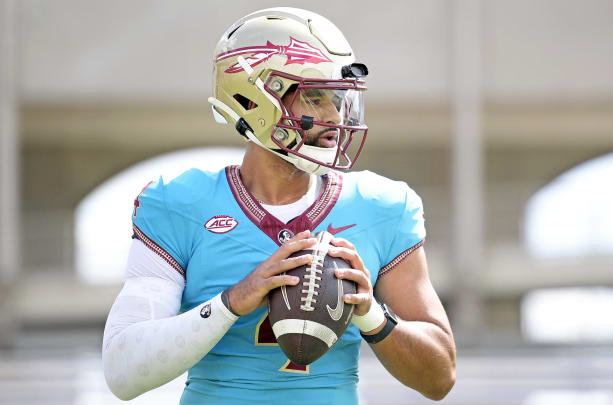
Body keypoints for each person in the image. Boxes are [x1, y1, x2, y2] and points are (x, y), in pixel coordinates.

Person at [102, 7, 456, 404]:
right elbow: (123, 372)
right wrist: (233, 301)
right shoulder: (179, 203)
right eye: (315, 97)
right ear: (254, 99)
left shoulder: (382, 207)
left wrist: (372, 313)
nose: (333, 114)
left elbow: (440, 377)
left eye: (337, 98)